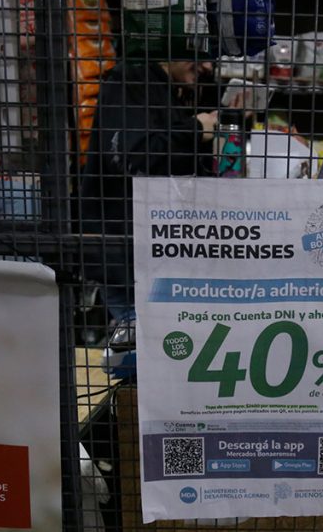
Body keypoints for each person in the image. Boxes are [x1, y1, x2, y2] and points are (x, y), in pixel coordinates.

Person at [77, 58, 219, 336]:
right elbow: (134, 157)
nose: (207, 67)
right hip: (126, 258)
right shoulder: (131, 82)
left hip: (153, 257)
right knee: (148, 346)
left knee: (156, 346)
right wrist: (195, 129)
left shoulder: (165, 88)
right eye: (197, 55)